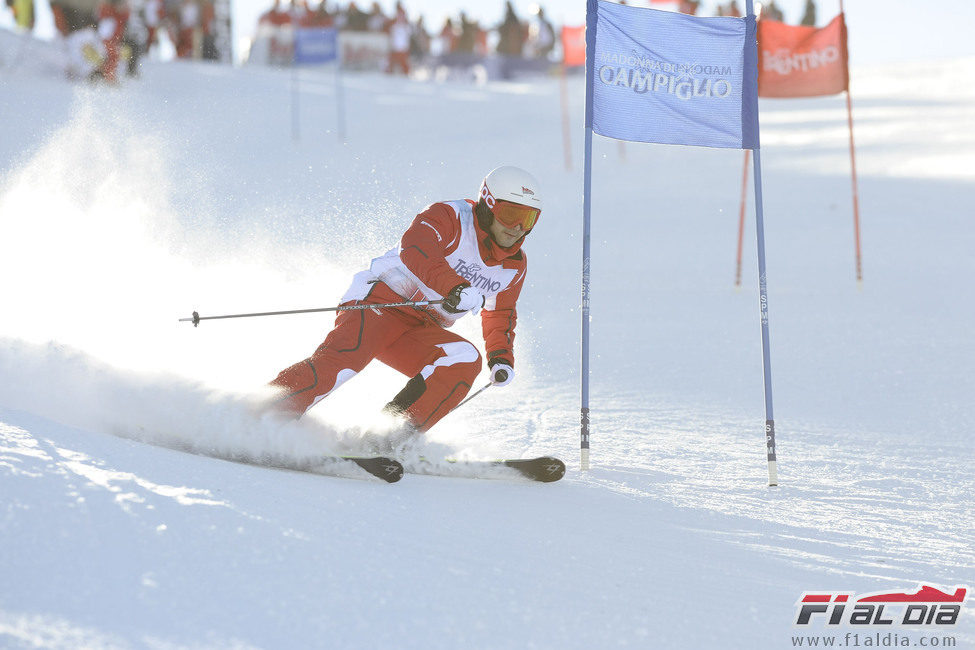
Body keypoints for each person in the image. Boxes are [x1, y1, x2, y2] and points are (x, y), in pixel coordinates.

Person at [267, 166, 542, 445]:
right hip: (381, 303)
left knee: (463, 359)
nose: (518, 228)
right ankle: (261, 415)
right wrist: (455, 287)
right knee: (346, 359)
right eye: (511, 215)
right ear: (488, 205)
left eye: (529, 219)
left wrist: (501, 357)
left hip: (420, 327)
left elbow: (500, 313)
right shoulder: (450, 217)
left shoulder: (513, 266)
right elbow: (415, 248)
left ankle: (385, 440)